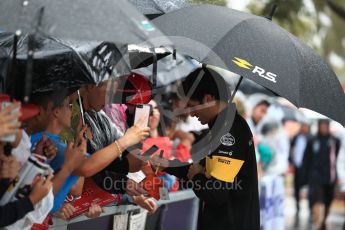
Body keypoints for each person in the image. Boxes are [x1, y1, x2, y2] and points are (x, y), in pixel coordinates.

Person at [151, 67, 260, 230]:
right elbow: (199, 169)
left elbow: (216, 193)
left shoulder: (229, 132)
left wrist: (197, 178)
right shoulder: (221, 127)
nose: (190, 113)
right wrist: (167, 164)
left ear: (208, 98)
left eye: (192, 106)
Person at [302, 119, 341, 229]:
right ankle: (317, 224)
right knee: (316, 201)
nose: (324, 127)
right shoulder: (312, 141)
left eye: (325, 125)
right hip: (315, 178)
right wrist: (304, 179)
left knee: (328, 202)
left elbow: (339, 160)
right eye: (322, 125)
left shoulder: (335, 141)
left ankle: (323, 222)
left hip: (330, 178)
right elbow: (306, 160)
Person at [290, 122, 312, 224]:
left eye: (305, 126)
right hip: (297, 168)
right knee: (296, 190)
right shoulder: (296, 138)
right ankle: (297, 209)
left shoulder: (311, 139)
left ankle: (310, 212)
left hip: (307, 169)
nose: (304, 128)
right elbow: (291, 151)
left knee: (308, 191)